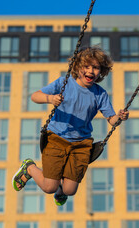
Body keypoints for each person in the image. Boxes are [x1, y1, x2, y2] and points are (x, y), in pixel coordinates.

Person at [12, 47, 129, 206]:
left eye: (95, 68)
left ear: (101, 71)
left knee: (69, 190)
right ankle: (30, 167)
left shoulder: (100, 94)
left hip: (81, 144)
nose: (90, 71)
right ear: (77, 67)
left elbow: (111, 119)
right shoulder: (64, 83)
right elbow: (35, 96)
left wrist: (120, 117)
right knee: (49, 186)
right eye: (86, 66)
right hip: (57, 138)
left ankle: (61, 188)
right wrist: (50, 98)